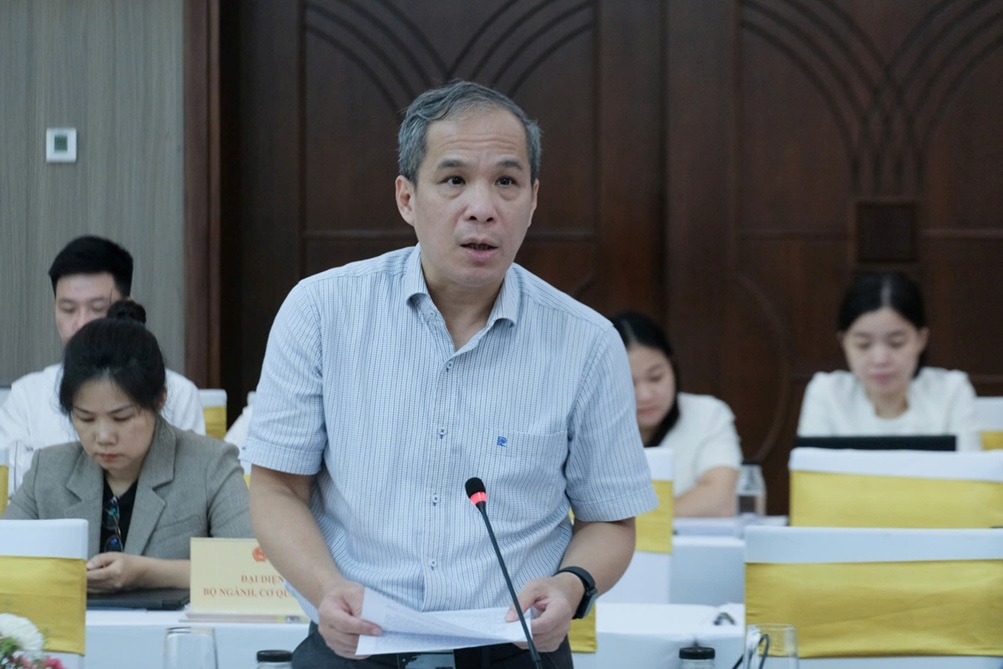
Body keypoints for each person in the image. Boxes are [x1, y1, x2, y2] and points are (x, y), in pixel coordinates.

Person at [243, 80, 657, 669]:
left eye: (506, 182)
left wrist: (572, 584)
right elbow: (277, 488)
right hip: (355, 644)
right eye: (454, 180)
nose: (482, 208)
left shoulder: (587, 343)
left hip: (513, 651)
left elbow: (609, 521)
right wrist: (325, 589)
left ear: (533, 200)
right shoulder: (321, 311)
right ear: (407, 197)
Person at [2, 301, 252, 592]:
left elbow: (251, 569)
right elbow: (6, 561)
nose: (103, 436)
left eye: (121, 418)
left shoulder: (210, 465)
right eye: (85, 418)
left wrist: (148, 573)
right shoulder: (48, 471)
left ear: (159, 400)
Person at [0, 235, 206, 498]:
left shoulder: (179, 392)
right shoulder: (26, 395)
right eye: (68, 309)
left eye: (97, 308)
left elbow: (189, 486)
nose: (81, 323)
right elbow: (11, 485)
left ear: (127, 307)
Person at [797, 271, 979, 451]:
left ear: (921, 339)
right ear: (843, 342)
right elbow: (812, 468)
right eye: (863, 344)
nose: (880, 359)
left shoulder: (951, 391)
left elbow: (969, 468)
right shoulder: (827, 394)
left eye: (896, 343)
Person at [611, 311, 742, 517]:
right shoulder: (589, 427)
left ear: (672, 366)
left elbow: (721, 498)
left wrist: (637, 523)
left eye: (656, 377)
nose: (644, 395)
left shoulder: (707, 415)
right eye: (628, 383)